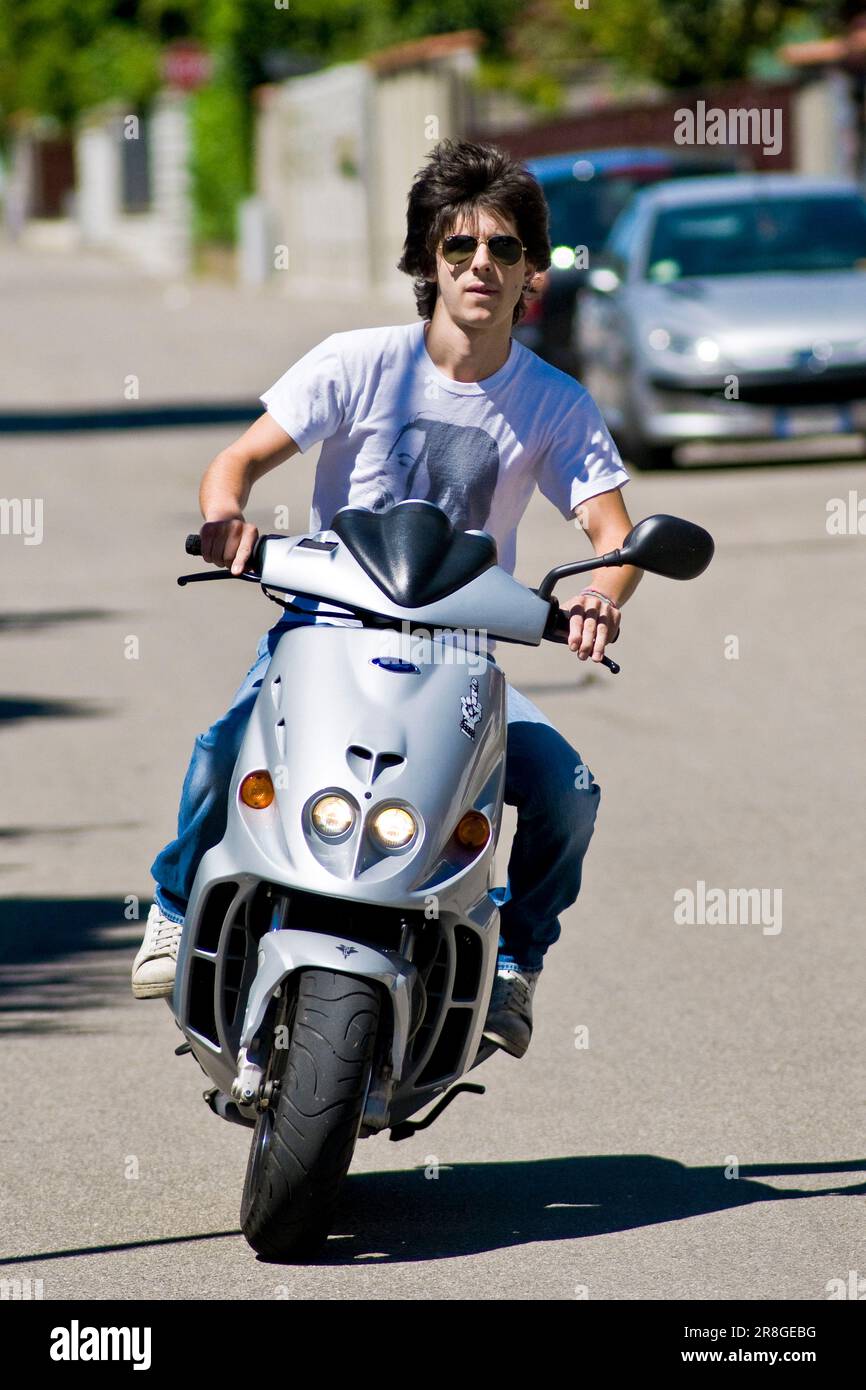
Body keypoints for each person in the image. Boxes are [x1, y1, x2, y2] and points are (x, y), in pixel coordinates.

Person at [132, 138, 642, 1058]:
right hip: (325, 633)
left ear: (531, 271)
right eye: (459, 246)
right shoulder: (357, 362)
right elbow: (237, 461)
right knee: (220, 748)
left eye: (504, 248)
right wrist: (225, 518)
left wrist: (604, 596)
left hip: (460, 656)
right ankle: (174, 907)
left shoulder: (556, 402)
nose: (481, 265)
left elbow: (616, 536)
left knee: (568, 793)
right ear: (426, 260)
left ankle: (514, 964)